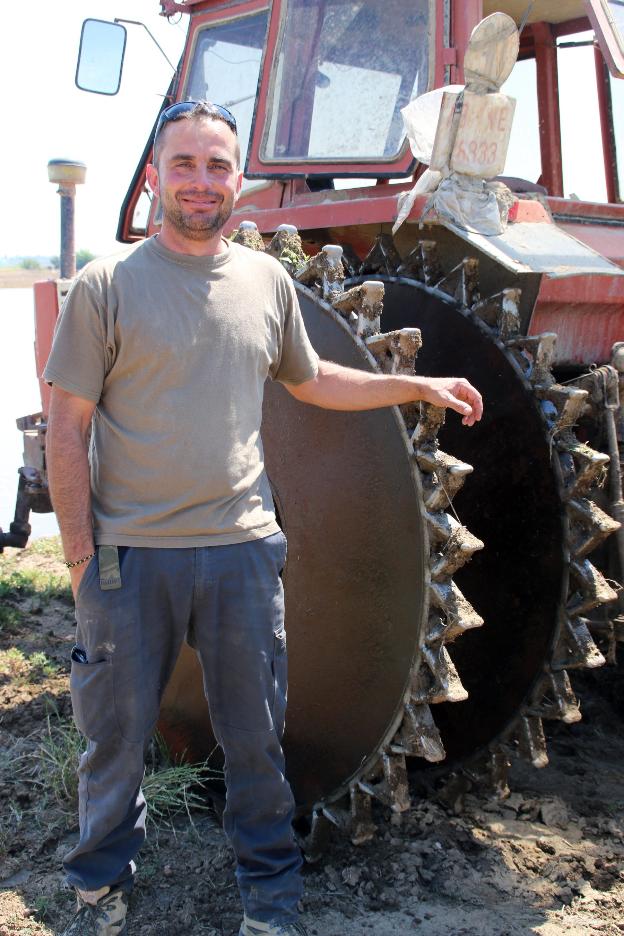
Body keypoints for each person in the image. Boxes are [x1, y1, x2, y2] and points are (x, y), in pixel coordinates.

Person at [44, 100, 483, 936]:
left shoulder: (264, 281)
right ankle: (100, 886)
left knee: (255, 740)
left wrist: (413, 387)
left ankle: (270, 898)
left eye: (217, 166)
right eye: (185, 165)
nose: (201, 183)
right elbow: (67, 429)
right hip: (132, 556)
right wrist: (79, 561)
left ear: (237, 180)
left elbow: (314, 379)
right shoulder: (109, 286)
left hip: (243, 554)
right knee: (113, 734)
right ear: (156, 176)